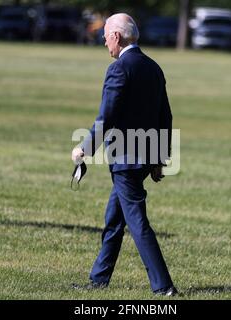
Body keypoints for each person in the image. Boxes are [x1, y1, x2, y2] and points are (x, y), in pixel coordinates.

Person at [71, 13, 177, 296]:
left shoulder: (119, 69)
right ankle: (98, 279)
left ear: (116, 37)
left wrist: (85, 148)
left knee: (137, 222)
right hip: (143, 159)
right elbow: (164, 116)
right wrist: (159, 158)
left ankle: (163, 287)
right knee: (114, 219)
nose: (104, 41)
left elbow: (106, 117)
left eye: (105, 36)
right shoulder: (153, 67)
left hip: (126, 161)